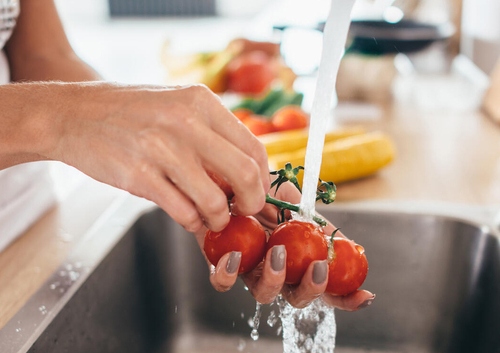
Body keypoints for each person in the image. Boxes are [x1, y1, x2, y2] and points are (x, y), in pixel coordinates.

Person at [0, 0, 375, 311]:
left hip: (36, 226)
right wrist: (69, 117)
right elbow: (61, 107)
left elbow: (41, 56)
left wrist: (197, 163)